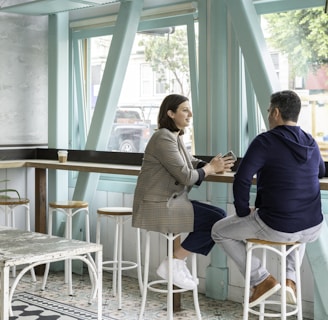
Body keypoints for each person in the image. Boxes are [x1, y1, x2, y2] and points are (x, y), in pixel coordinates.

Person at [212, 90, 325, 307]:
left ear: (275, 112)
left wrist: (244, 212)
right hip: (313, 227)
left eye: (268, 111)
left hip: (278, 226)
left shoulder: (265, 141)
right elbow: (320, 171)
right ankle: (290, 281)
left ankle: (261, 279)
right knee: (297, 228)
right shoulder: (310, 141)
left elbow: (242, 179)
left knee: (218, 230)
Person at [132, 93, 236, 290]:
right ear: (170, 113)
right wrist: (211, 168)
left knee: (219, 216)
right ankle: (173, 263)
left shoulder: (174, 136)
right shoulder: (162, 137)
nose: (190, 114)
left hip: (170, 201)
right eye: (185, 110)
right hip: (158, 205)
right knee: (216, 221)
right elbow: (186, 176)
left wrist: (212, 165)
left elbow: (190, 161)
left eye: (190, 110)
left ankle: (176, 262)